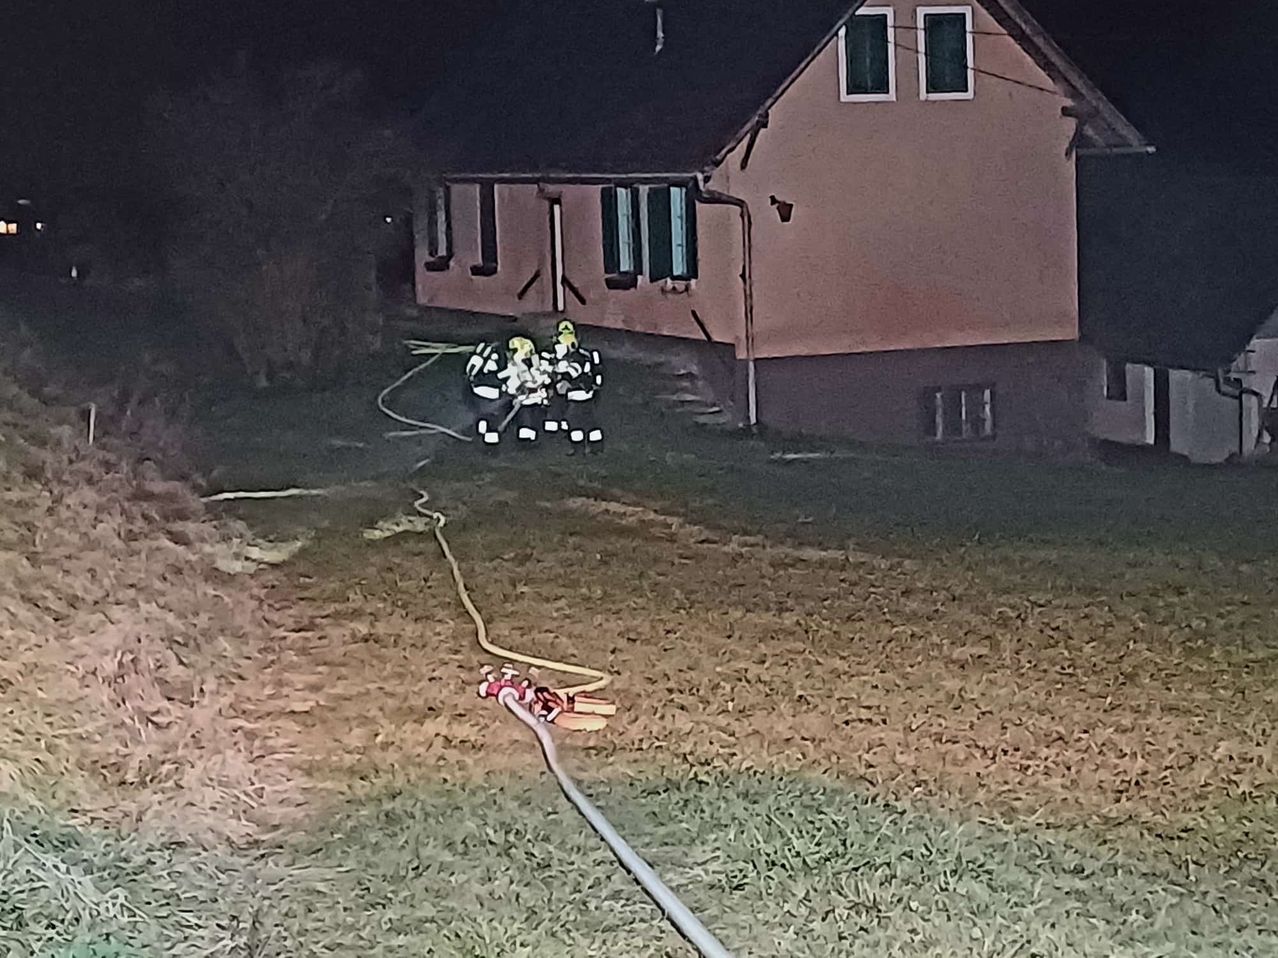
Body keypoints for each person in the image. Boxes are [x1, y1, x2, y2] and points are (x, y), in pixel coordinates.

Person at [546, 320, 604, 454]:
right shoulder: (579, 355)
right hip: (585, 393)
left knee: (574, 421)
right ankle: (596, 447)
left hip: (579, 394)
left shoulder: (577, 357)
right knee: (589, 421)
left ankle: (578, 448)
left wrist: (564, 381)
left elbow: (573, 371)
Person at [499, 335, 552, 444]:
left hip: (530, 401)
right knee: (527, 423)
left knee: (529, 422)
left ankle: (529, 441)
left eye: (512, 351)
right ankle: (527, 442)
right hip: (529, 402)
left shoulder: (520, 368)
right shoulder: (529, 367)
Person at [464, 340, 511, 447]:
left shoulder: (479, 410)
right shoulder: (478, 410)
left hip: (485, 382)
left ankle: (489, 349)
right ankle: (495, 349)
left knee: (475, 372)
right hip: (491, 382)